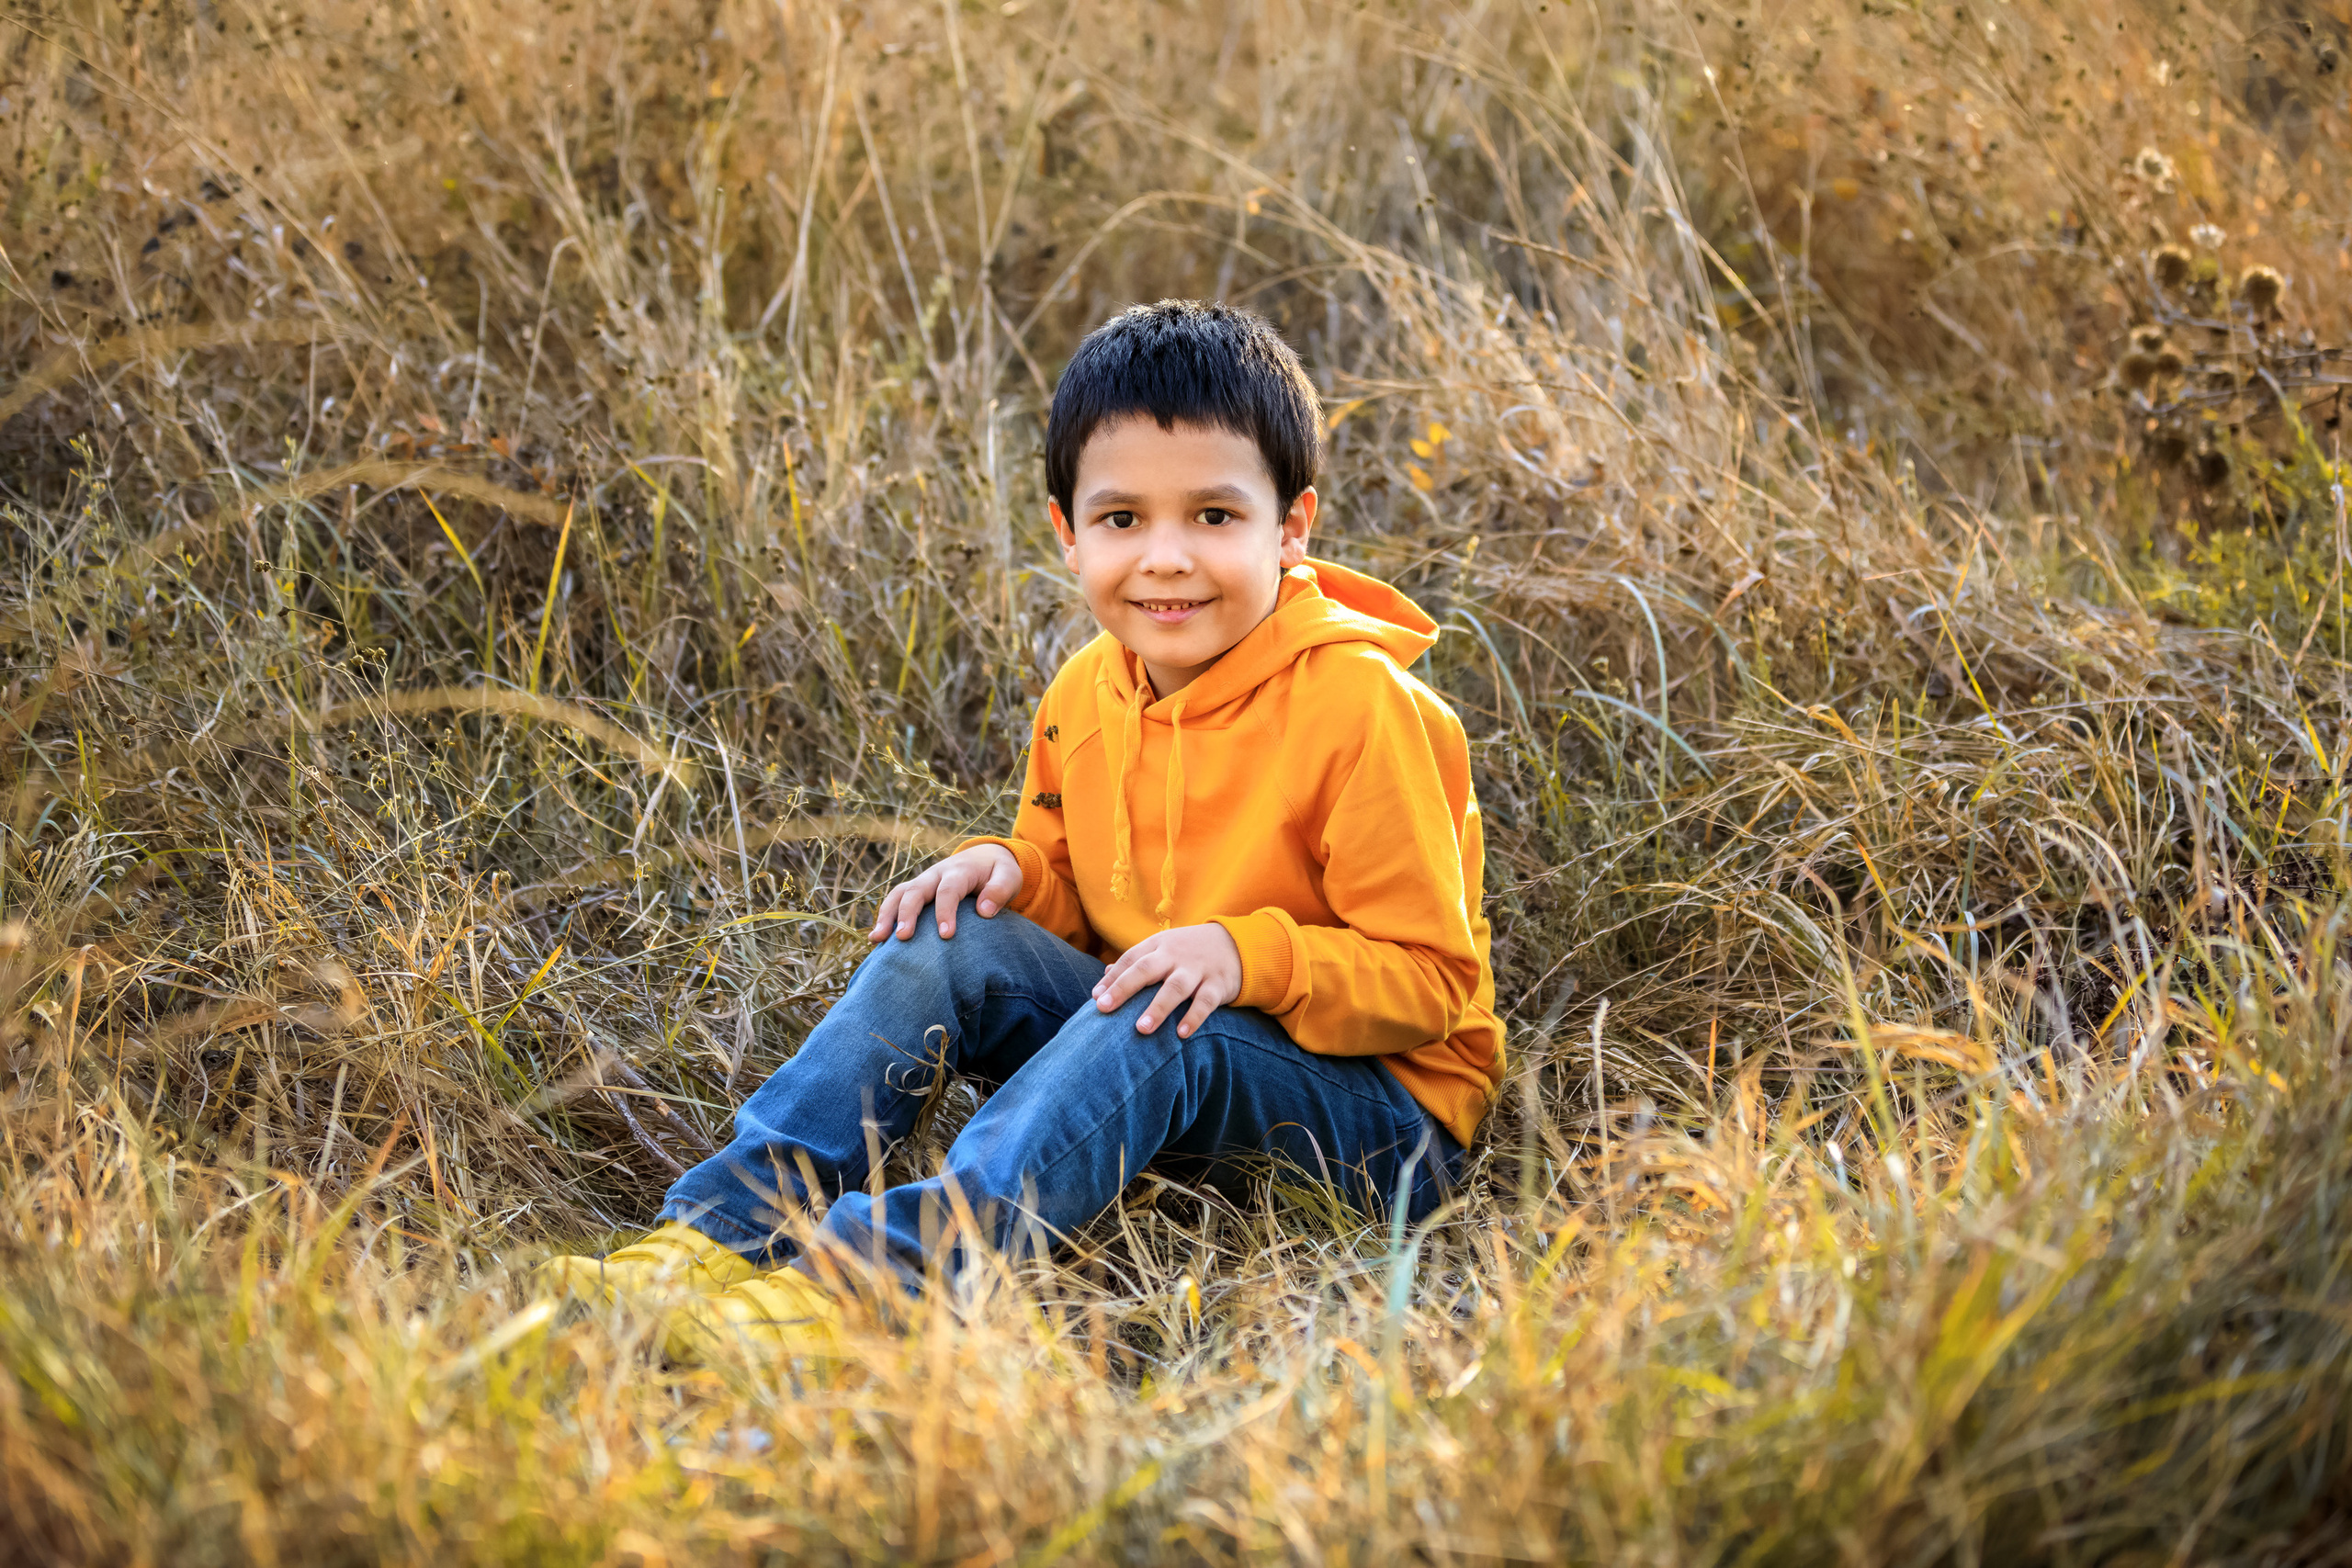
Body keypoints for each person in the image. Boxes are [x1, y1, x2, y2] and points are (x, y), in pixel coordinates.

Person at [539, 300, 1506, 1362]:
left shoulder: (1363, 710)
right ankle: (717, 1234)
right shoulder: (1088, 691)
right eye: (1123, 519)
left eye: (1215, 518)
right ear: (1067, 533)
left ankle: (871, 1293)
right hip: (1164, 1066)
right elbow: (1083, 904)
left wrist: (1244, 955)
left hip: (1379, 1121)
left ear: (1293, 525)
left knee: (1156, 1011)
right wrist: (1010, 871)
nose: (1167, 559)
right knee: (948, 941)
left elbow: (1429, 983)